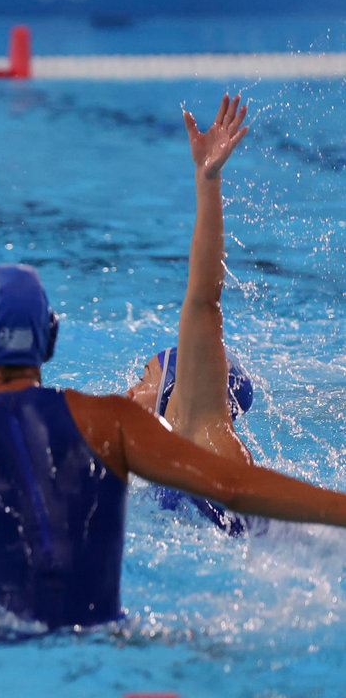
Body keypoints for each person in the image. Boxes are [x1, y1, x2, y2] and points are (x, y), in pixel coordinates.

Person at [0, 263, 346, 631]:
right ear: (48, 340)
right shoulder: (111, 423)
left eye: (147, 373)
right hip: (112, 637)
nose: (133, 382)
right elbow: (240, 490)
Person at [124, 94, 256, 535]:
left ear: (181, 384)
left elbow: (203, 299)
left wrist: (208, 181)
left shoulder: (205, 431)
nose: (130, 389)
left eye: (144, 377)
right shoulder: (174, 457)